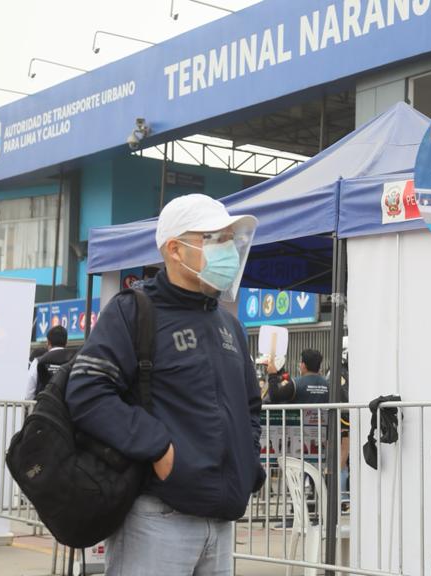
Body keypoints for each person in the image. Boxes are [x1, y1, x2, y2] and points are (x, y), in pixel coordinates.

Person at [65, 194, 265, 575]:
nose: (227, 249)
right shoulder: (133, 311)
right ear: (175, 249)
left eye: (228, 239)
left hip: (222, 521)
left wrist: (248, 463)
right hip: (158, 517)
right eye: (213, 239)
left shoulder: (229, 325)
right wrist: (159, 448)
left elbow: (250, 408)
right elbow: (88, 391)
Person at [25, 325, 76, 400]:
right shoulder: (74, 361)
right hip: (66, 409)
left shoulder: (38, 361)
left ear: (48, 342)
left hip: (42, 408)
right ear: (66, 342)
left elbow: (29, 393)